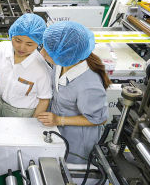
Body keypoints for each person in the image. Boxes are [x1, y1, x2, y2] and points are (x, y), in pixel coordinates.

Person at [36, 21, 110, 164]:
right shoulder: (63, 61)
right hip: (57, 129)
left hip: (77, 142)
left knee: (69, 169)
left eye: (48, 51)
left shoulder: (89, 85)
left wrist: (60, 120)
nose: (42, 53)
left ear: (66, 54)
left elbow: (99, 119)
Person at [0, 13, 52, 122]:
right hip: (0, 104)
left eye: (29, 44)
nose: (21, 47)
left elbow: (44, 99)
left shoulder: (41, 69)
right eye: (17, 40)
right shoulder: (2, 48)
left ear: (38, 43)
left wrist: (33, 124)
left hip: (24, 115)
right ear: (11, 35)